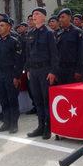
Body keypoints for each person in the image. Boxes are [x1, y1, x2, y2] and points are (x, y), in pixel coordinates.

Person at [25, 7, 59, 139]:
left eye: (37, 14)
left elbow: (54, 54)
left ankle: (48, 127)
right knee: (37, 98)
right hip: (33, 71)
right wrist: (28, 69)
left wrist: (53, 71)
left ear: (44, 17)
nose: (34, 16)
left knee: (46, 99)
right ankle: (40, 126)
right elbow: (28, 54)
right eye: (33, 14)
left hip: (45, 70)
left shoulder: (49, 33)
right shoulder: (30, 33)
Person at [0, 18, 24, 134]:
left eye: (2, 25)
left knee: (12, 99)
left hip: (10, 74)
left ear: (9, 27)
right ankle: (6, 122)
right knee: (3, 99)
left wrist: (16, 76)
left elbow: (19, 61)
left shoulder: (14, 41)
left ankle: (14, 124)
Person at [55, 8, 83, 85]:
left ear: (69, 17)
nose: (60, 19)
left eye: (63, 17)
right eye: (59, 18)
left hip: (72, 69)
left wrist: (78, 70)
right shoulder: (59, 33)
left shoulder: (77, 32)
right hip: (60, 69)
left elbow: (82, 53)